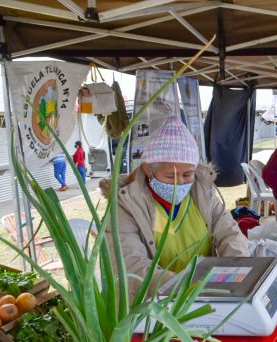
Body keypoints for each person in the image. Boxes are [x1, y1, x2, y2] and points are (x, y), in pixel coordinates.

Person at [100, 115, 248, 297]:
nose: (180, 183)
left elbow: (230, 233)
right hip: (153, 304)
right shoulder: (126, 205)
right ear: (148, 170)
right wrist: (185, 288)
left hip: (203, 295)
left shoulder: (202, 193)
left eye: (187, 174)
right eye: (170, 176)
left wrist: (237, 270)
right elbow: (131, 265)